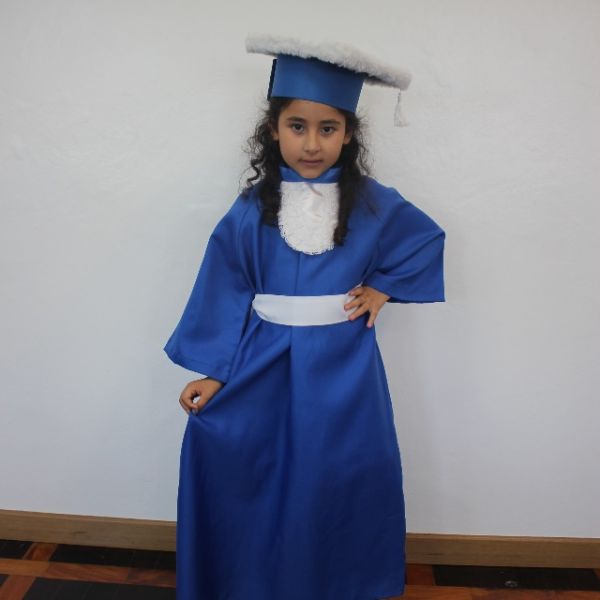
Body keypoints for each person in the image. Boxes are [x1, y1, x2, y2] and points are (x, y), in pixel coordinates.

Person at [164, 33, 445, 600]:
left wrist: (383, 288)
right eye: (297, 126)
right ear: (273, 129)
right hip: (264, 360)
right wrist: (215, 372)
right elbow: (224, 285)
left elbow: (425, 239)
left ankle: (335, 582)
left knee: (335, 474)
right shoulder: (250, 209)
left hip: (344, 368)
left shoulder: (373, 203)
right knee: (251, 464)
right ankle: (254, 579)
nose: (312, 143)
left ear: (348, 133)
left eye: (328, 128)